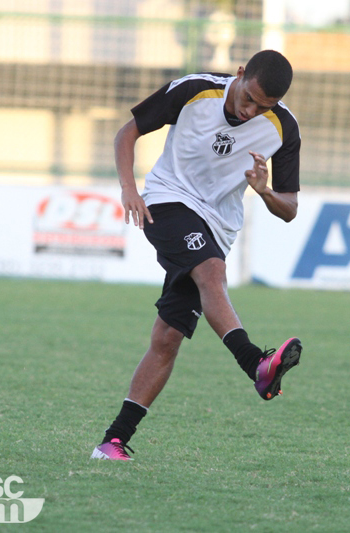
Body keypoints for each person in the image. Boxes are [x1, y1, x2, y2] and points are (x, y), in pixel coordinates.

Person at [92, 50, 303, 461]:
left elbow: (290, 209)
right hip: (165, 202)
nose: (251, 111)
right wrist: (129, 188)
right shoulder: (195, 91)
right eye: (249, 98)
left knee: (168, 337)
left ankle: (112, 441)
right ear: (240, 74)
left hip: (217, 225)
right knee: (211, 271)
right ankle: (255, 364)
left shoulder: (284, 127)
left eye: (264, 107)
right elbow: (127, 133)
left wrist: (264, 191)